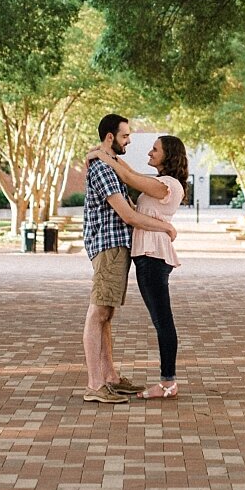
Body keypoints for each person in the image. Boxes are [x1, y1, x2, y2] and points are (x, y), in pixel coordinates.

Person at [81, 113, 177, 404]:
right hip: (108, 247)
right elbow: (128, 214)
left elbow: (129, 175)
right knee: (98, 313)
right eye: (125, 136)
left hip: (117, 247)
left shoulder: (110, 166)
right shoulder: (102, 169)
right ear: (110, 137)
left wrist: (99, 155)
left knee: (106, 314)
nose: (130, 140)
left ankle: (110, 377)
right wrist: (166, 227)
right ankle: (95, 385)